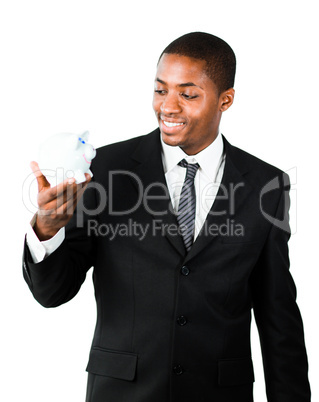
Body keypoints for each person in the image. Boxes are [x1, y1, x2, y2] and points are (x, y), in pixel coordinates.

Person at [23, 32, 311, 402]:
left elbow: (278, 316)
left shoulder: (266, 185)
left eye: (187, 94)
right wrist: (47, 227)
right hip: (123, 392)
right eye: (161, 91)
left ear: (226, 100)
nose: (168, 107)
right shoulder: (106, 171)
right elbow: (52, 293)